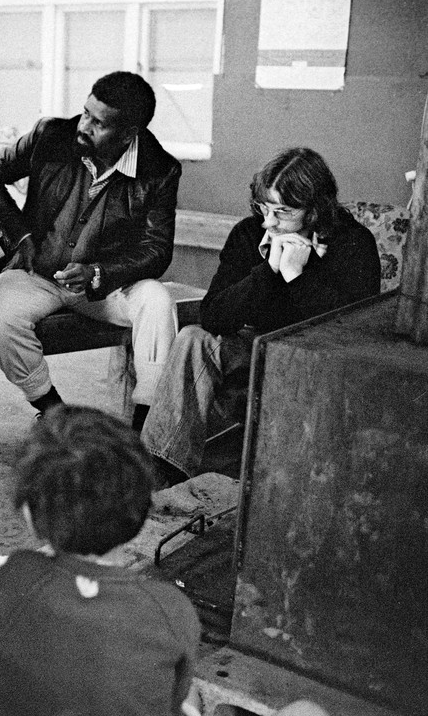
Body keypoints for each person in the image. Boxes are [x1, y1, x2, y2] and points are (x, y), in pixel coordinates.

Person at [142, 147, 381, 488]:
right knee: (193, 337)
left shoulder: (353, 242)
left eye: (283, 212)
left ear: (314, 210)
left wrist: (297, 276)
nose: (269, 222)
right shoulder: (249, 233)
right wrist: (268, 270)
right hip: (253, 347)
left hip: (315, 359)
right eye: (264, 208)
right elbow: (213, 314)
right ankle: (161, 473)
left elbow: (349, 333)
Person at [0, 405, 199, 716]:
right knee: (304, 714)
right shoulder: (171, 607)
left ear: (29, 515)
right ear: (142, 512)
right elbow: (173, 695)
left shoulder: (14, 579)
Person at [0, 71, 181, 430]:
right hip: (40, 274)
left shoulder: (159, 170)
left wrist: (98, 272)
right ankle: (53, 411)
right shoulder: (51, 135)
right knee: (0, 316)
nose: (83, 125)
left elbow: (158, 249)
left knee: (157, 302)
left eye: (98, 123)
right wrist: (20, 236)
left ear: (129, 134)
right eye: (86, 111)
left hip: (107, 288)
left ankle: (143, 429)